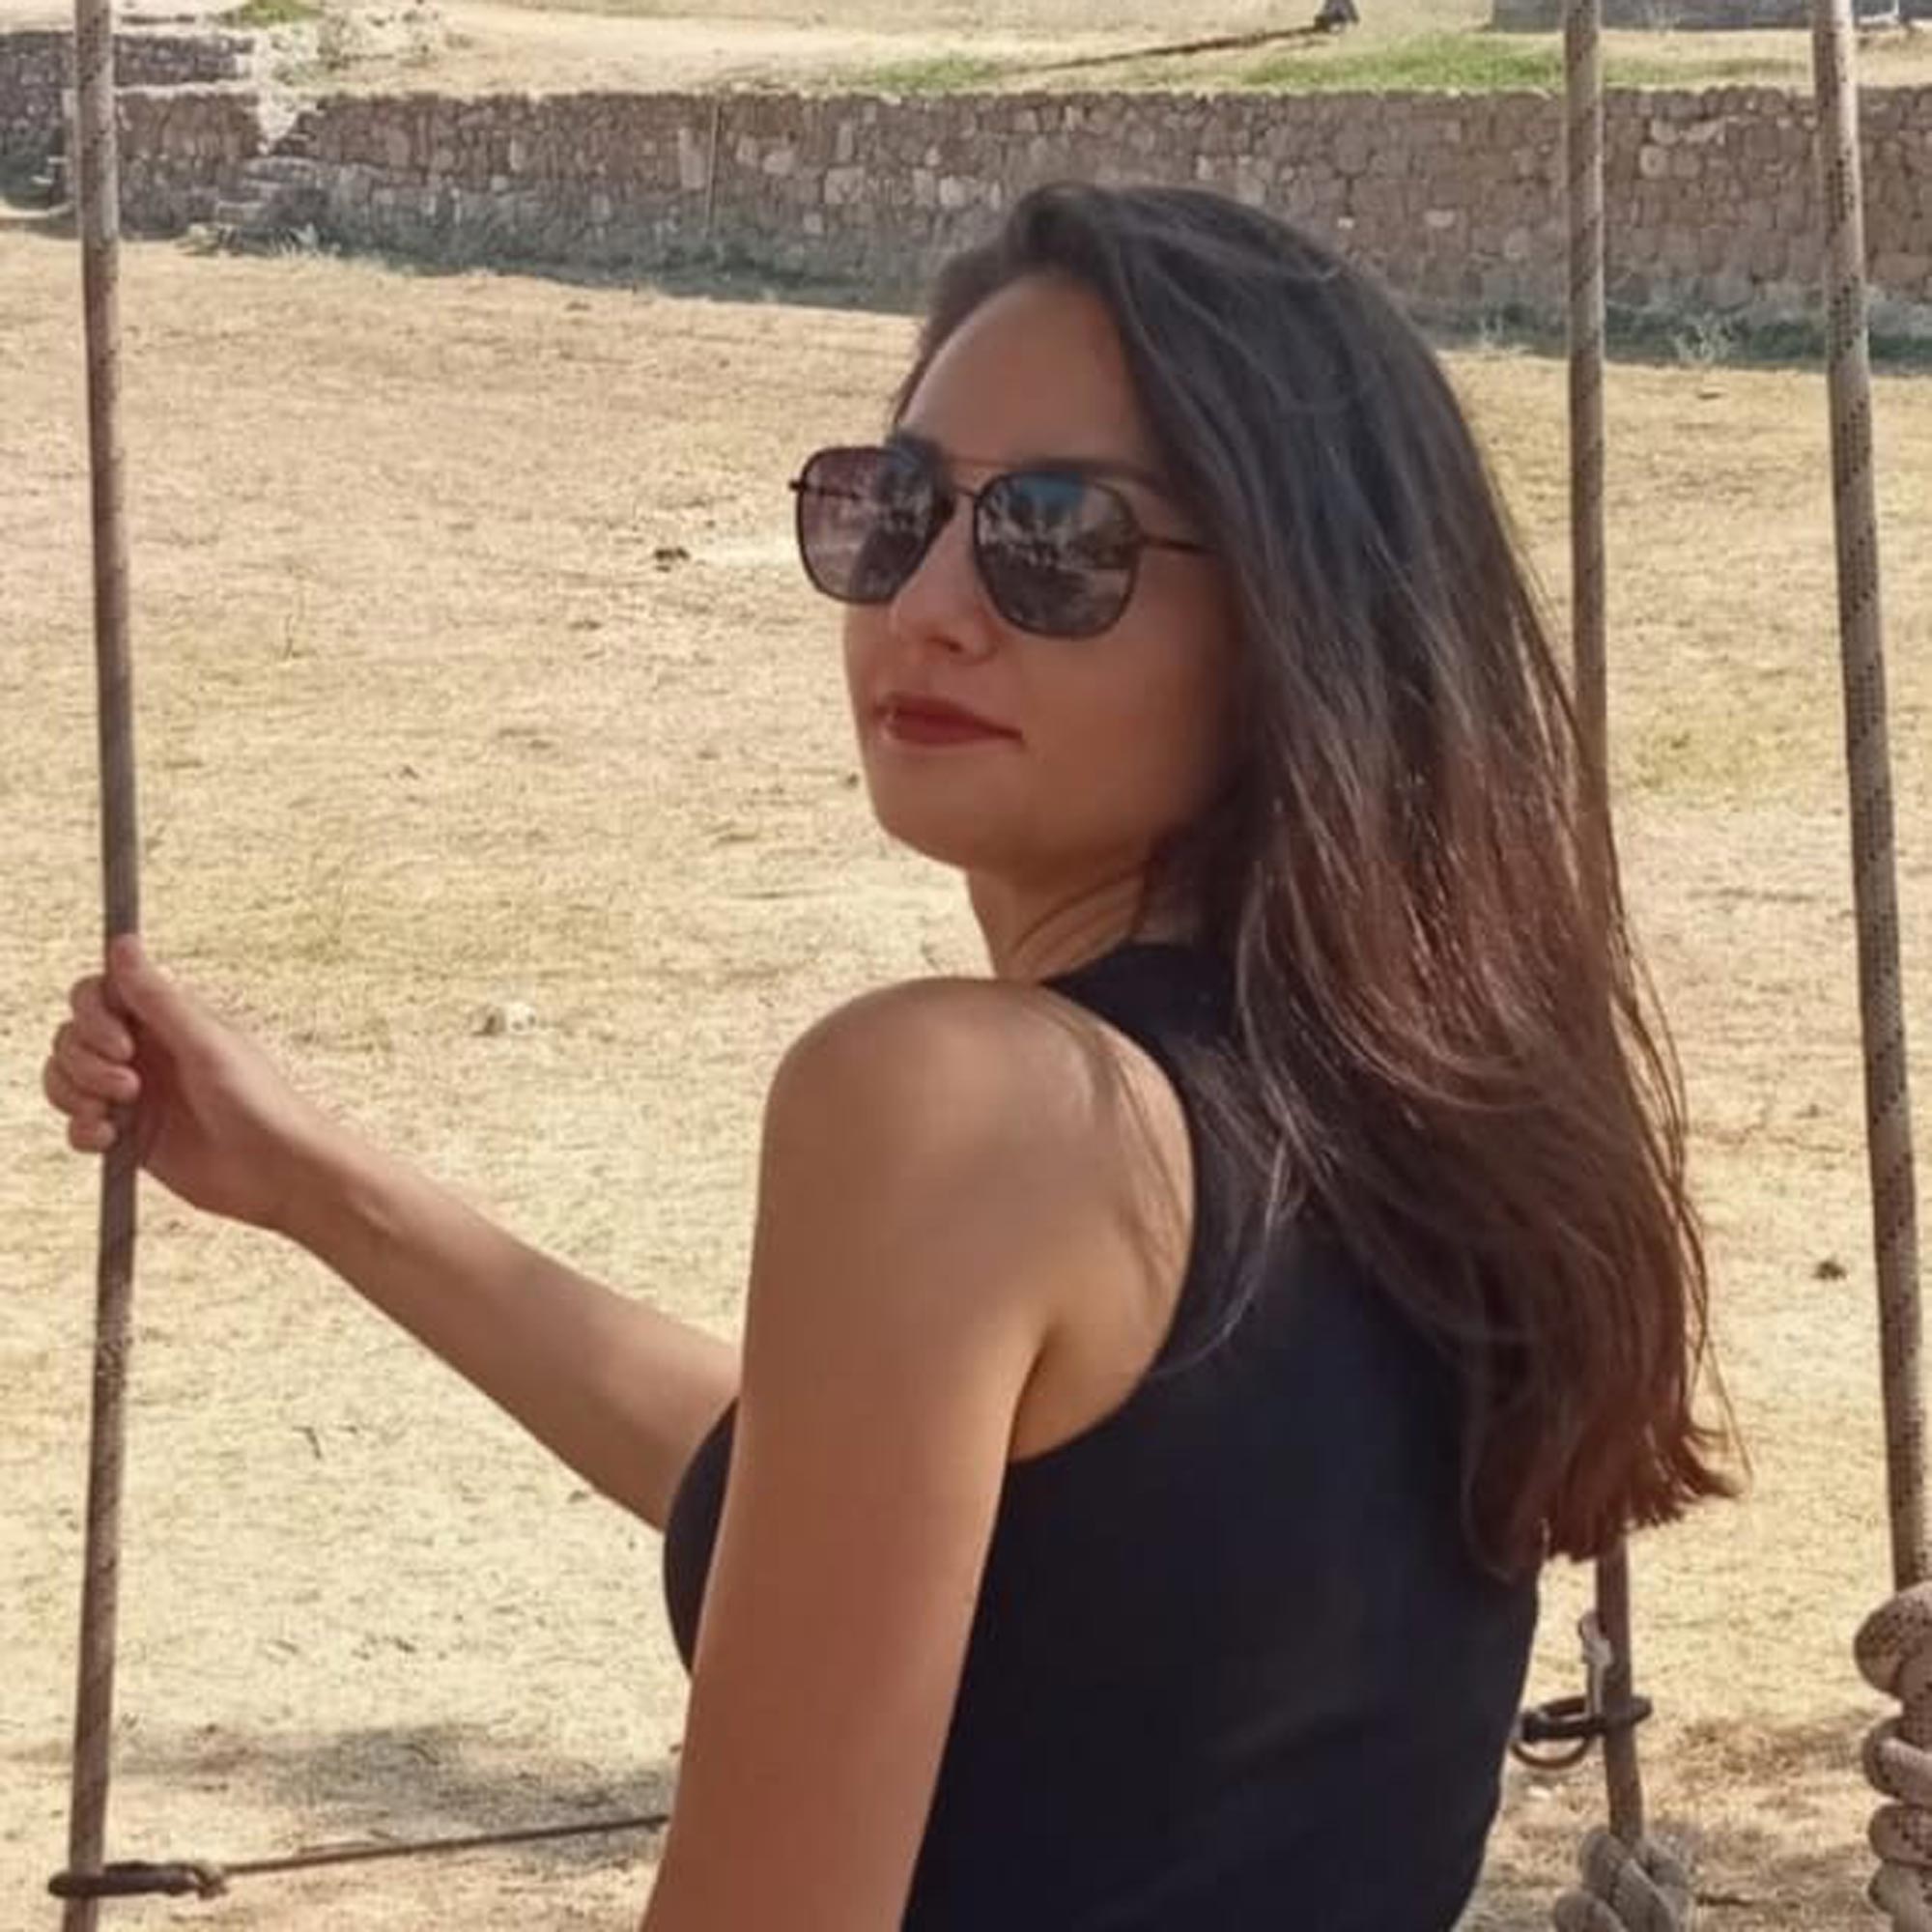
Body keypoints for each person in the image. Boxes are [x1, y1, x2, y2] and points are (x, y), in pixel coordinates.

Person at [43, 184, 1730, 1929]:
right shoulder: (1420, 1125)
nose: (925, 601)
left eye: (1059, 542)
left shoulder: (971, 1105)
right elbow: (876, 1500)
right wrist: (322, 1186)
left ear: (1294, 610)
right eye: (897, 509)